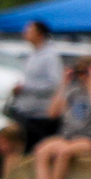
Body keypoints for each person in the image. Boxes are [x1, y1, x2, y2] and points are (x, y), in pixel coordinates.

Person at [32, 55, 91, 179]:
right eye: (80, 72)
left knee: (64, 152)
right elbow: (52, 113)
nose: (82, 76)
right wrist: (63, 84)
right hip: (68, 136)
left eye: (85, 72)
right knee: (41, 151)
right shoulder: (72, 91)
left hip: (89, 138)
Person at [11, 21, 63, 151]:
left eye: (29, 31)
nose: (25, 33)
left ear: (40, 34)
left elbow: (54, 84)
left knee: (34, 150)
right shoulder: (33, 54)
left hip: (40, 115)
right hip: (26, 111)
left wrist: (26, 88)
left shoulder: (50, 56)